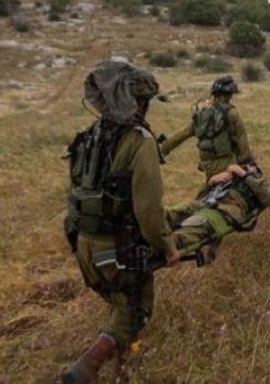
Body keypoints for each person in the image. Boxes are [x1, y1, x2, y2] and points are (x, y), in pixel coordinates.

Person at [62, 60, 179, 383]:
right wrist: (167, 248)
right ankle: (86, 366)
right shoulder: (139, 141)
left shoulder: (87, 138)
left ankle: (123, 373)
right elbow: (149, 212)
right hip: (119, 250)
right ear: (138, 102)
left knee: (117, 305)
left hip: (87, 248)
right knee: (133, 314)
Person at [166, 163, 270, 265]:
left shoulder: (261, 184)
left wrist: (244, 176)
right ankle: (152, 227)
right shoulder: (228, 179)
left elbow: (269, 199)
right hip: (208, 202)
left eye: (251, 167)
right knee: (177, 211)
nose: (247, 168)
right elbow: (199, 197)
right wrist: (211, 182)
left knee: (201, 222)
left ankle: (168, 244)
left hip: (229, 208)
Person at [161, 75, 254, 180]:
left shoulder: (202, 113)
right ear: (229, 95)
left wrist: (164, 148)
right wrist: (246, 162)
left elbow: (184, 133)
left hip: (207, 165)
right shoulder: (231, 113)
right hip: (227, 164)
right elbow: (242, 139)